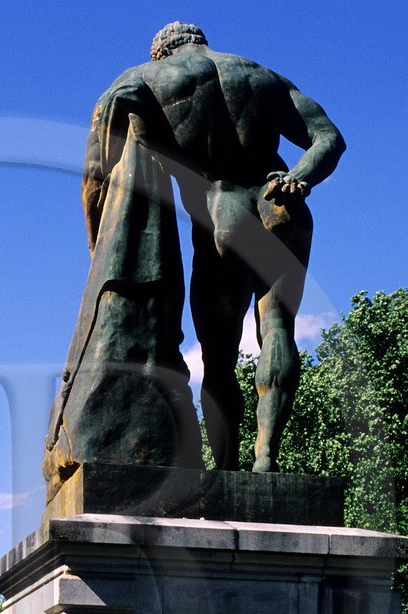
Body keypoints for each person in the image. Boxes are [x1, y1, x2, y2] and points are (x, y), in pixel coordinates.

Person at [81, 22, 345, 473]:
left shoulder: (144, 79)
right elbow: (330, 138)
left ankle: (225, 471)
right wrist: (299, 177)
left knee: (218, 356)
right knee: (278, 327)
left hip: (223, 214)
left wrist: (96, 244)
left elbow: (95, 171)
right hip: (278, 200)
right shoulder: (260, 76)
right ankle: (266, 460)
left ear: (163, 50)